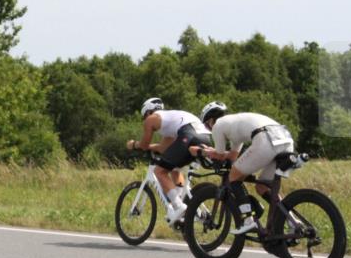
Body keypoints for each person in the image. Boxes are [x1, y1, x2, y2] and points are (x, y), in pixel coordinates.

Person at [193, 102, 295, 236]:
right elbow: (232, 156)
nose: (209, 129)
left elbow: (219, 155)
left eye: (207, 126)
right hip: (286, 140)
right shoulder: (234, 125)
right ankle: (293, 222)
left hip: (266, 139)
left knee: (233, 176)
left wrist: (202, 151)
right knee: (262, 187)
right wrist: (218, 154)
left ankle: (248, 220)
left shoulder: (218, 125)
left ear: (211, 120)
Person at [126, 97, 212, 224]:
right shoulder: (170, 121)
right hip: (205, 137)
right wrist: (150, 147)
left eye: (144, 117)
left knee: (159, 171)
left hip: (189, 134)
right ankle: (181, 202)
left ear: (148, 112)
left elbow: (143, 145)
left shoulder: (151, 118)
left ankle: (179, 206)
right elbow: (163, 148)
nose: (145, 120)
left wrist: (134, 144)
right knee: (174, 169)